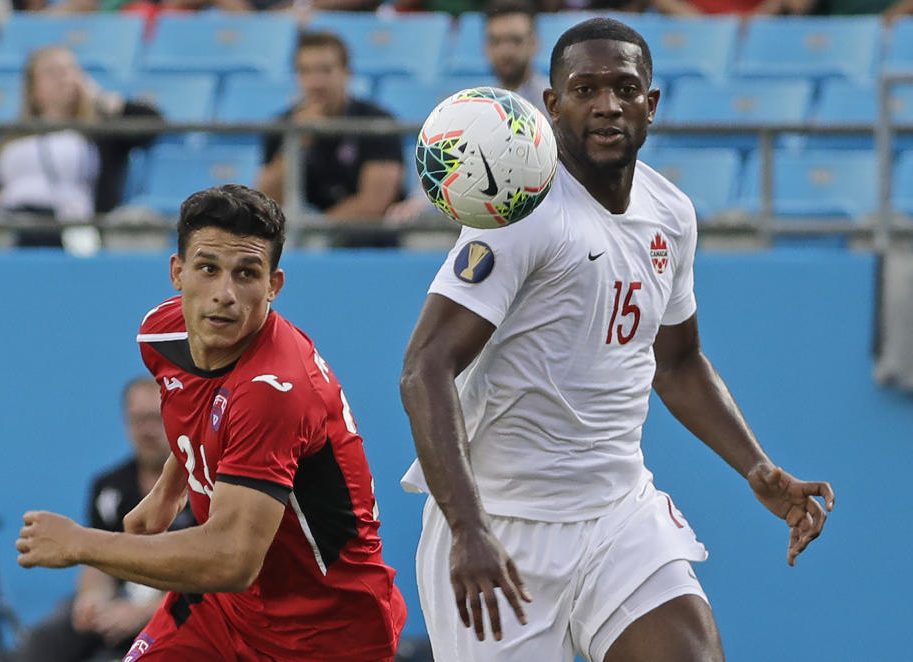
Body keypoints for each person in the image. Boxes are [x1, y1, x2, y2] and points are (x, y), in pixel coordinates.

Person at [398, 17, 835, 662]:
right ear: (551, 105)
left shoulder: (672, 213)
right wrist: (467, 528)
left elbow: (678, 360)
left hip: (618, 512)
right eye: (585, 89)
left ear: (650, 104)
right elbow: (424, 368)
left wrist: (757, 466)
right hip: (502, 525)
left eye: (625, 88)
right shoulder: (521, 213)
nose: (607, 105)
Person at [16, 184, 407, 662]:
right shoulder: (163, 332)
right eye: (208, 268)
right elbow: (199, 404)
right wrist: (169, 487)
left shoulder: (274, 390)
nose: (224, 294)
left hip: (324, 631)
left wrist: (81, 543)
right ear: (177, 272)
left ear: (273, 286)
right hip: (223, 611)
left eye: (247, 274)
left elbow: (230, 558)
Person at [10, 378, 196, 662]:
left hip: (181, 608)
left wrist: (145, 611)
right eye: (138, 420)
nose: (148, 430)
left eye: (156, 419)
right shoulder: (109, 486)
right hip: (117, 603)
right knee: (42, 642)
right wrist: (92, 597)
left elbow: (212, 573)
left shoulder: (203, 488)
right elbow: (96, 559)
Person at [0, 45, 161, 247]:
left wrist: (101, 98)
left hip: (79, 225)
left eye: (71, 70)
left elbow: (153, 125)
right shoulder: (10, 136)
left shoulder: (101, 130)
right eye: (51, 72)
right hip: (15, 221)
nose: (63, 77)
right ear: (33, 88)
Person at [386, 0, 547, 223]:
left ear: (534, 44)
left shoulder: (555, 104)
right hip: (471, 208)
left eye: (515, 40)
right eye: (496, 41)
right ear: (485, 47)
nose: (505, 51)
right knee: (415, 226)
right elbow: (439, 164)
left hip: (536, 211)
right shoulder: (466, 104)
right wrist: (419, 203)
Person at [254, 31, 404, 247]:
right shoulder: (284, 125)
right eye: (306, 72)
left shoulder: (377, 121)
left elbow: (375, 204)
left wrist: (317, 231)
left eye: (325, 70)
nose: (316, 82)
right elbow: (265, 198)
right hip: (306, 233)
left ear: (346, 73)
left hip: (368, 237)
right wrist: (297, 142)